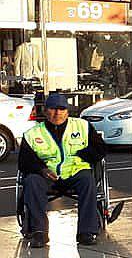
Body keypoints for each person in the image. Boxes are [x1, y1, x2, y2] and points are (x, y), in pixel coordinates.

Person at [18, 93, 107, 248]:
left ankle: (86, 232)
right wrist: (42, 169)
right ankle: (39, 232)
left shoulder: (82, 126)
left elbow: (100, 149)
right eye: (53, 109)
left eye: (61, 109)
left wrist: (82, 154)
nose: (57, 113)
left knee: (88, 180)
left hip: (75, 171)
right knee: (32, 181)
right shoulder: (33, 134)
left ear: (67, 111)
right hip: (48, 175)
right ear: (45, 111)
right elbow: (24, 161)